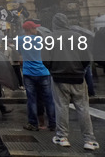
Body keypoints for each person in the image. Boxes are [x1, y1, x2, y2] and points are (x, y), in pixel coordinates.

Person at [42, 13, 99, 151]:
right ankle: (89, 140)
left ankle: (62, 137)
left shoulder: (49, 38)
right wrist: (80, 69)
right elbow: (86, 59)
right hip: (78, 77)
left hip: (59, 78)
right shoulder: (78, 37)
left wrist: (54, 69)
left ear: (54, 23)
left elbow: (45, 59)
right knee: (83, 108)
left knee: (61, 107)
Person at [17, 20, 56, 132]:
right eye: (34, 28)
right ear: (29, 29)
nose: (36, 30)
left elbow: (19, 53)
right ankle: (52, 123)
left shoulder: (20, 40)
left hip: (28, 73)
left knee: (32, 99)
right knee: (49, 99)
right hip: (44, 72)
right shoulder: (41, 40)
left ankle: (33, 123)